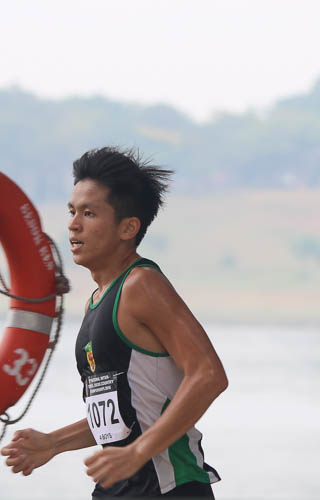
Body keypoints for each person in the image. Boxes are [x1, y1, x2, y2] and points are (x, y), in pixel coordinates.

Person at [1, 147, 228, 498]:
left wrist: (139, 451)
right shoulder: (97, 299)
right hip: (116, 490)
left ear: (128, 228)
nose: (73, 224)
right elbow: (125, 415)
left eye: (89, 213)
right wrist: (53, 443)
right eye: (72, 211)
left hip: (169, 489)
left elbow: (209, 375)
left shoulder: (142, 285)